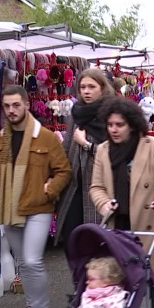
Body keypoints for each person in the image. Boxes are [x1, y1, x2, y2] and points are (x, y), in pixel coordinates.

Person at [0, 84, 71, 308]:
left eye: (16, 105)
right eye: (6, 106)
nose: (11, 110)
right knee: (23, 265)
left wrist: (51, 189)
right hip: (10, 209)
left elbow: (63, 170)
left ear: (27, 105)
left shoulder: (47, 137)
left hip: (38, 207)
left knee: (31, 260)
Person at [90, 97, 154, 308]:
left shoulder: (153, 146)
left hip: (147, 221)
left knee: (148, 274)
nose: (113, 129)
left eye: (119, 125)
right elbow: (96, 187)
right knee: (120, 278)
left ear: (131, 124)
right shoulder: (103, 151)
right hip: (117, 222)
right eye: (110, 125)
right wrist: (103, 203)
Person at [56, 68, 115, 243]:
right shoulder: (77, 112)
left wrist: (86, 145)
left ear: (102, 88)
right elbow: (66, 147)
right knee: (71, 239)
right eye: (82, 87)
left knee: (96, 243)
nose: (86, 91)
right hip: (74, 187)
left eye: (91, 86)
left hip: (100, 187)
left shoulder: (113, 113)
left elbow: (116, 154)